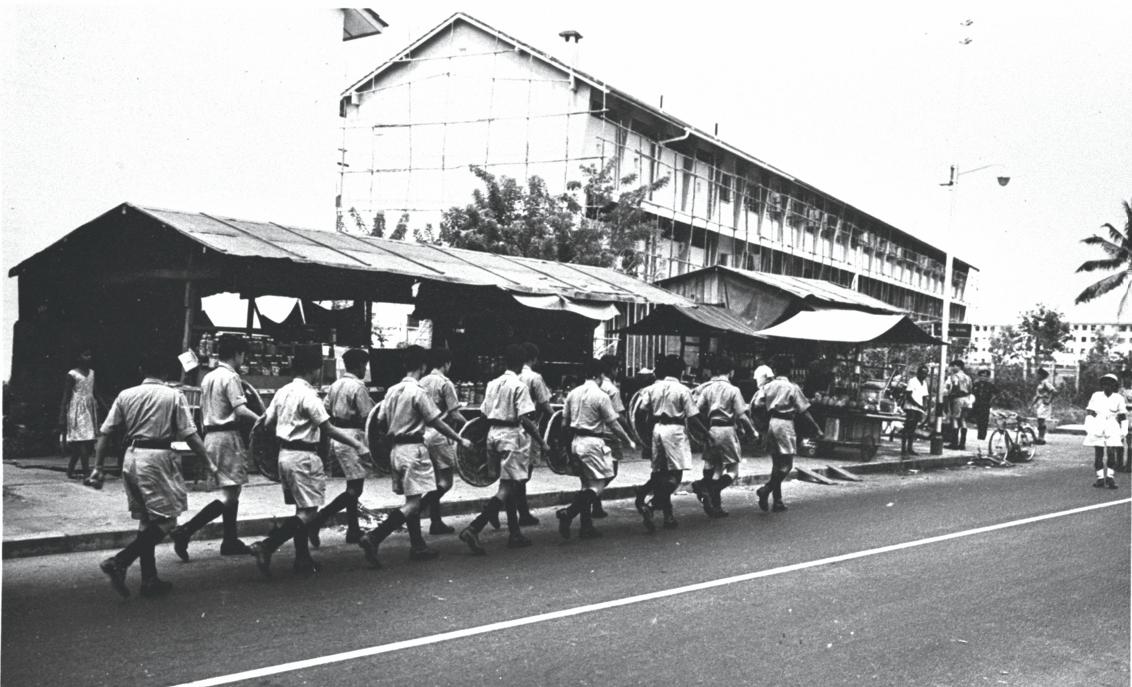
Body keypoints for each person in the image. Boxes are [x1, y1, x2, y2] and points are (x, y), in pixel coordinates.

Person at [248, 348, 372, 578]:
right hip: (304, 456)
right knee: (308, 513)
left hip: (284, 456)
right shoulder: (308, 395)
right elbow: (328, 428)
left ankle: (302, 558)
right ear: (311, 369)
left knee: (301, 509)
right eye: (318, 369)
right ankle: (267, 546)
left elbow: (267, 423)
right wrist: (357, 445)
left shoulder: (282, 392)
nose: (319, 373)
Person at [95, 351, 211, 598]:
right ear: (167, 373)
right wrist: (208, 461)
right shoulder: (173, 395)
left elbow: (105, 432)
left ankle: (149, 579)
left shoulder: (126, 395)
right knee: (168, 520)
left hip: (132, 457)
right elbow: (190, 434)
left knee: (147, 519)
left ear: (141, 370)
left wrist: (97, 467)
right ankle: (120, 561)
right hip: (157, 459)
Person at [358, 346, 473, 567]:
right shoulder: (418, 392)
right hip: (413, 450)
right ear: (422, 366)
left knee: (412, 498)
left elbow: (379, 421)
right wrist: (460, 440)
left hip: (396, 451)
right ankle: (375, 537)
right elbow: (437, 421)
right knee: (413, 503)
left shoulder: (392, 390)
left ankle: (417, 545)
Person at [169, 335, 262, 560]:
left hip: (211, 436)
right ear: (238, 354)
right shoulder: (231, 377)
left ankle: (230, 540)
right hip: (227, 436)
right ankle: (186, 530)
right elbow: (240, 411)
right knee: (229, 495)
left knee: (231, 490)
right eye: (243, 355)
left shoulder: (208, 377)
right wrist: (263, 419)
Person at [459, 344, 549, 555]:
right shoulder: (519, 386)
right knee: (508, 487)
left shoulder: (492, 384)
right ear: (520, 363)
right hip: (511, 437)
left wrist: (483, 441)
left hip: (493, 435)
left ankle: (514, 532)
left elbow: (483, 415)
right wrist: (542, 442)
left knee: (507, 485)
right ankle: (475, 527)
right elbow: (525, 419)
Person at [556, 358, 635, 539]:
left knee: (586, 484)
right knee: (599, 484)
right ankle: (569, 512)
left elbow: (563, 425)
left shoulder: (572, 394)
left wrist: (569, 449)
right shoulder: (601, 396)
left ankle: (586, 525)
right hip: (593, 442)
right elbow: (614, 425)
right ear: (600, 375)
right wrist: (628, 440)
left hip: (576, 440)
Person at [306, 348, 377, 548]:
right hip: (352, 436)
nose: (365, 369)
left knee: (352, 486)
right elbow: (367, 417)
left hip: (336, 436)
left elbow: (325, 410)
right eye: (365, 365)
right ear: (360, 365)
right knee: (355, 489)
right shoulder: (358, 387)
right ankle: (319, 519)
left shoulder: (335, 385)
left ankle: (353, 529)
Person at [632, 355, 708, 532]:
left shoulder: (652, 388)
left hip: (657, 429)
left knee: (660, 472)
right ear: (680, 371)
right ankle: (652, 506)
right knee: (675, 475)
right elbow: (693, 416)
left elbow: (642, 411)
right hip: (675, 430)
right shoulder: (682, 389)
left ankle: (668, 515)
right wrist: (706, 433)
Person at [752, 355, 823, 512]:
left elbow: (756, 405)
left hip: (772, 423)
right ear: (790, 371)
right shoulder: (793, 388)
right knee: (787, 464)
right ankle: (766, 489)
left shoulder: (768, 386)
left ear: (775, 370)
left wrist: (761, 426)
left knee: (776, 464)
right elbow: (804, 412)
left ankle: (777, 501)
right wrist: (816, 428)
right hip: (785, 424)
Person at [691, 355, 758, 518]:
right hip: (727, 430)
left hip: (711, 429)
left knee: (715, 467)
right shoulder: (734, 390)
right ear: (731, 372)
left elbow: (696, 411)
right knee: (733, 470)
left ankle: (715, 505)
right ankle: (706, 487)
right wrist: (752, 432)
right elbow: (742, 416)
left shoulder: (707, 389)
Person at [419, 347, 468, 534]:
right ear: (447, 363)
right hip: (441, 434)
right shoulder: (445, 383)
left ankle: (435, 521)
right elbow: (454, 415)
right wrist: (470, 426)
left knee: (432, 481)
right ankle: (416, 512)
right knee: (445, 482)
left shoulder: (421, 381)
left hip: (422, 433)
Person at [590, 354, 638, 519]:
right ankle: (591, 497)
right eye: (617, 368)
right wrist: (630, 434)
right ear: (612, 369)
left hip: (597, 431)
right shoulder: (612, 389)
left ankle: (595, 501)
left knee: (598, 470)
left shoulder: (596, 386)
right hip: (610, 433)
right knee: (612, 470)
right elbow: (620, 416)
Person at [513, 342, 554, 527]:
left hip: (510, 429)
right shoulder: (534, 378)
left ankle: (512, 510)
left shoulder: (512, 376)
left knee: (513, 474)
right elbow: (544, 404)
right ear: (533, 359)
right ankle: (522, 513)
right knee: (524, 474)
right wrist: (557, 419)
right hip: (529, 428)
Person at [59, 347, 109, 480]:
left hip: (89, 409)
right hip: (76, 411)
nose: (89, 357)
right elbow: (66, 395)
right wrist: (62, 416)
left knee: (84, 442)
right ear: (78, 357)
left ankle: (70, 471)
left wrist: (106, 408)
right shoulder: (72, 374)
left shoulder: (91, 373)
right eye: (86, 355)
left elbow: (95, 391)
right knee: (82, 442)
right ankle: (87, 473)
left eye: (90, 354)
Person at [1083, 373, 1123, 489]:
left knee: (1111, 452)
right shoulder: (1096, 396)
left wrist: (1123, 430)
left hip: (1112, 426)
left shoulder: (1118, 398)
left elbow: (1122, 415)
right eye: (1105, 383)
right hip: (1098, 425)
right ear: (1102, 385)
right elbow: (1090, 411)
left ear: (1114, 385)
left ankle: (1110, 477)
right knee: (1099, 453)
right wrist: (1089, 425)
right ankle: (1100, 478)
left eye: (1110, 384)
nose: (1107, 386)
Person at [901, 365, 930, 456]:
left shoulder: (924, 383)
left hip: (919, 409)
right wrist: (918, 405)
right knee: (907, 428)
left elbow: (925, 396)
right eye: (922, 373)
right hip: (911, 408)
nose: (924, 375)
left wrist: (924, 405)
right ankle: (903, 449)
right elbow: (908, 396)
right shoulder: (912, 381)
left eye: (925, 373)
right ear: (918, 373)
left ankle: (910, 448)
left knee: (913, 429)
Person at [944, 360, 973, 450]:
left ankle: (954, 443)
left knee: (955, 418)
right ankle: (962, 444)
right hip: (967, 399)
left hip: (957, 398)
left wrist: (949, 395)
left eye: (954, 366)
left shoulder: (954, 376)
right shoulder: (968, 377)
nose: (952, 368)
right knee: (963, 419)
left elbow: (952, 387)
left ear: (959, 366)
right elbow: (971, 389)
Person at [970, 369, 999, 442]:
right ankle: (978, 436)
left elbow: (996, 393)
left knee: (984, 422)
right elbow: (972, 393)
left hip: (985, 405)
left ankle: (982, 437)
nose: (983, 377)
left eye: (985, 376)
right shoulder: (976, 384)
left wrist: (991, 401)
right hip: (976, 405)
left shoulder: (990, 385)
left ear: (987, 377)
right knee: (977, 421)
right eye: (981, 376)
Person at [1031, 368, 1056, 445]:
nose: (1036, 376)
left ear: (1041, 375)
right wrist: (1032, 405)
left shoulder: (1045, 382)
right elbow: (1037, 396)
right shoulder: (1040, 384)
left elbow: (1054, 391)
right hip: (1040, 403)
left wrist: (1049, 400)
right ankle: (1039, 437)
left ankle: (1042, 438)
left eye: (1038, 374)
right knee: (1040, 421)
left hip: (1045, 403)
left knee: (1041, 420)